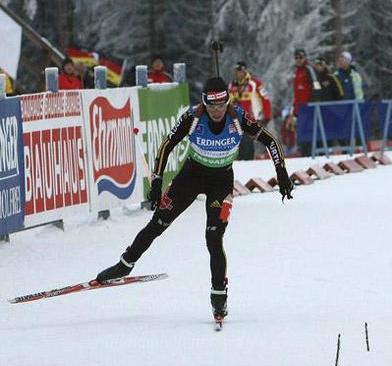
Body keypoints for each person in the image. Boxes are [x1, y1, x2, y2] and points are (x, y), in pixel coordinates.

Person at [95, 76, 294, 323]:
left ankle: (219, 296)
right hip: (191, 177)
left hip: (221, 182)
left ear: (228, 102)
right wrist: (157, 182)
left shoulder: (239, 118)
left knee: (214, 238)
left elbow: (271, 140)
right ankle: (125, 265)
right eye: (212, 106)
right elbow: (167, 145)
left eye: (221, 105)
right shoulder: (192, 117)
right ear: (204, 104)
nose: (217, 111)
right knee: (158, 223)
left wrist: (281, 173)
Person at [228, 61, 273, 160]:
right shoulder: (232, 85)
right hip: (237, 119)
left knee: (247, 141)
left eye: (239, 70)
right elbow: (229, 102)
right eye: (235, 70)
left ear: (244, 71)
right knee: (237, 142)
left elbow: (266, 100)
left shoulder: (255, 83)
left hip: (252, 119)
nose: (237, 73)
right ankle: (242, 162)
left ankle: (248, 163)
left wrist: (267, 117)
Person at [292, 48, 320, 155]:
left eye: (301, 57)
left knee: (309, 132)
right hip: (300, 108)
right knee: (301, 132)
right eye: (296, 58)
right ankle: (304, 154)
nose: (299, 60)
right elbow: (297, 92)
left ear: (305, 57)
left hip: (308, 107)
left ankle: (310, 154)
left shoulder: (308, 69)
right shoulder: (296, 72)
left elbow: (317, 86)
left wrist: (312, 103)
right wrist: (295, 108)